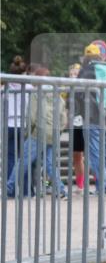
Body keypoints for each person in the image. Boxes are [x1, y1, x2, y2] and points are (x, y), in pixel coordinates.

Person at [7, 65, 66, 199]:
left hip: (39, 132)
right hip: (54, 132)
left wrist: (28, 133)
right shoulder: (56, 92)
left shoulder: (35, 93)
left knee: (23, 161)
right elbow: (63, 116)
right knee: (50, 163)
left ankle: (8, 187)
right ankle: (61, 190)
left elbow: (32, 117)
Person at [75, 43, 106, 194]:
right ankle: (103, 186)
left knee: (95, 153)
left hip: (92, 117)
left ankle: (104, 186)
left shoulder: (85, 70)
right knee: (105, 154)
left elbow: (77, 93)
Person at [4, 55, 31, 193]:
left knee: (10, 159)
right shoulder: (30, 86)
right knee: (24, 159)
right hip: (24, 125)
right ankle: (27, 190)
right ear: (24, 72)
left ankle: (11, 190)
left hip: (9, 125)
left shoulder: (5, 87)